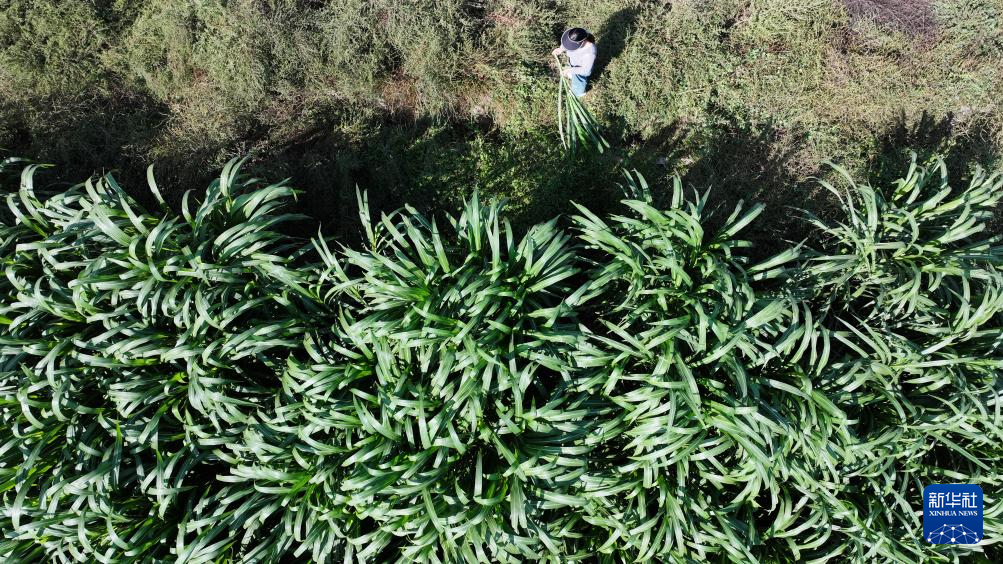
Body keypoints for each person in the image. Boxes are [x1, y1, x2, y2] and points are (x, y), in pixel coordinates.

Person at [551, 28, 596, 98]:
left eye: (572, 45)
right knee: (572, 72)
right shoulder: (578, 35)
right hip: (574, 63)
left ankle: (578, 93)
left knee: (578, 81)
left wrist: (570, 70)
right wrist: (561, 49)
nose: (570, 46)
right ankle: (572, 73)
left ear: (581, 42)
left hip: (581, 70)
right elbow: (568, 43)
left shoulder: (590, 52)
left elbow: (585, 70)